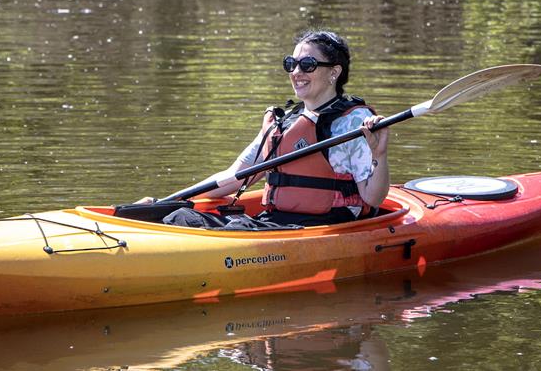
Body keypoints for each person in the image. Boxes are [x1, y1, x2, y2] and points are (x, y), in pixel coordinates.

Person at [137, 29, 389, 229]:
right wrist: (165, 203)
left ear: (334, 72)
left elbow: (373, 198)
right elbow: (234, 176)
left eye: (308, 64)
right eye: (291, 63)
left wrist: (379, 155)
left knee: (227, 232)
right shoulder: (285, 122)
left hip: (324, 225)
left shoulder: (354, 122)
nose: (296, 72)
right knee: (181, 216)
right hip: (276, 221)